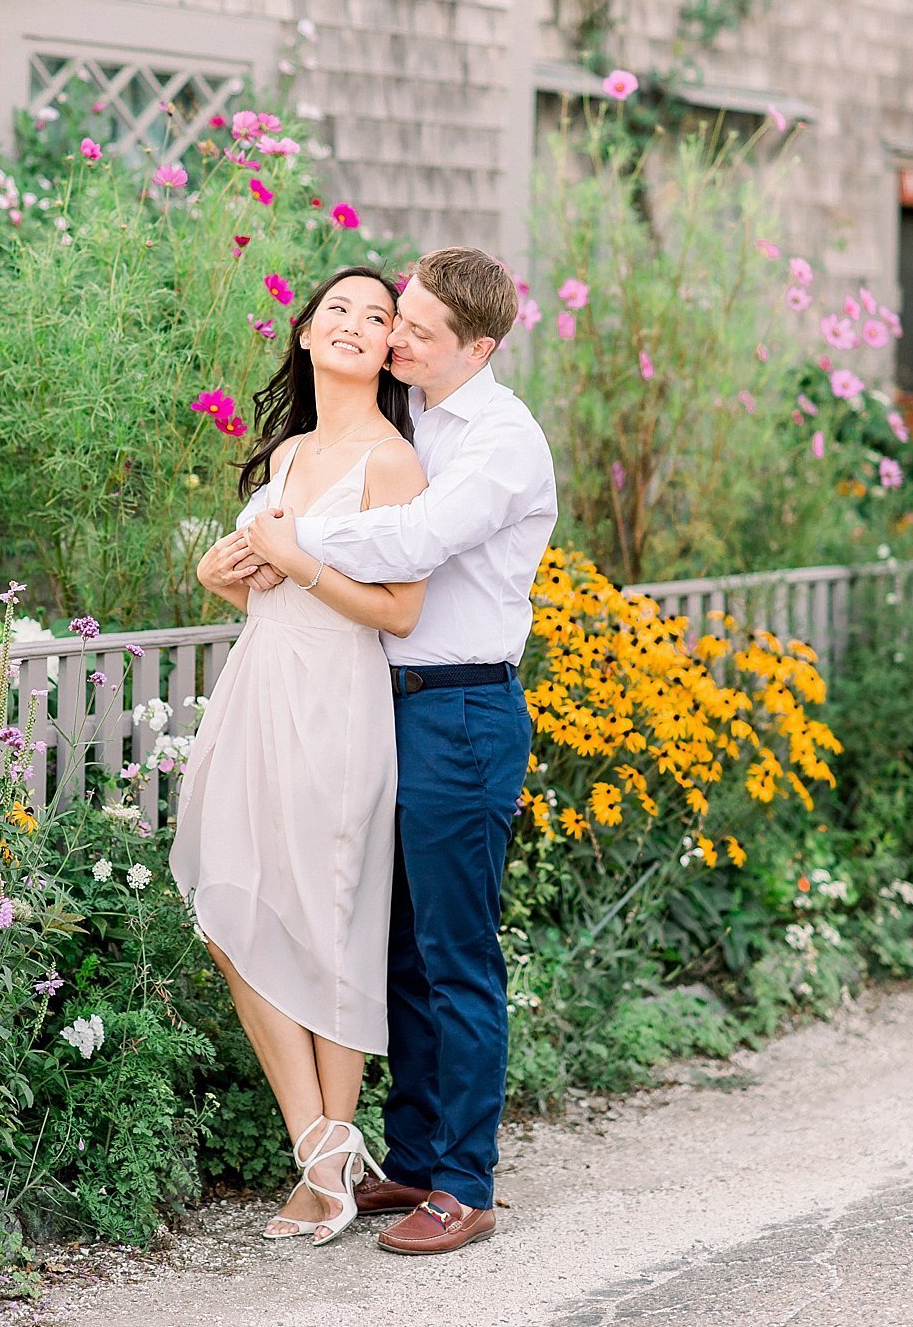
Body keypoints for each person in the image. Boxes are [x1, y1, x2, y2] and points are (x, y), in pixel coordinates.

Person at [243, 246, 557, 1256]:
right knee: (402, 949)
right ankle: (416, 1158)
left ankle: (465, 1183)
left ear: (480, 345)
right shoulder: (417, 414)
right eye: (398, 320)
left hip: (463, 710)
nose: (396, 341)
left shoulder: (501, 441)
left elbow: (415, 542)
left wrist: (293, 544)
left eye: (416, 331)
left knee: (457, 954)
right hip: (390, 706)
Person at [169, 266, 428, 1246]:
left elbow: (399, 611)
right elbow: (266, 594)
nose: (358, 325)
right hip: (259, 688)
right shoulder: (285, 454)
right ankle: (324, 1148)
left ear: (388, 345)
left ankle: (325, 1176)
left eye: (378, 316)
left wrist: (301, 561)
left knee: (329, 922)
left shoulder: (393, 462)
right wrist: (216, 573)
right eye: (340, 313)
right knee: (228, 912)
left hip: (338, 702)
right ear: (309, 339)